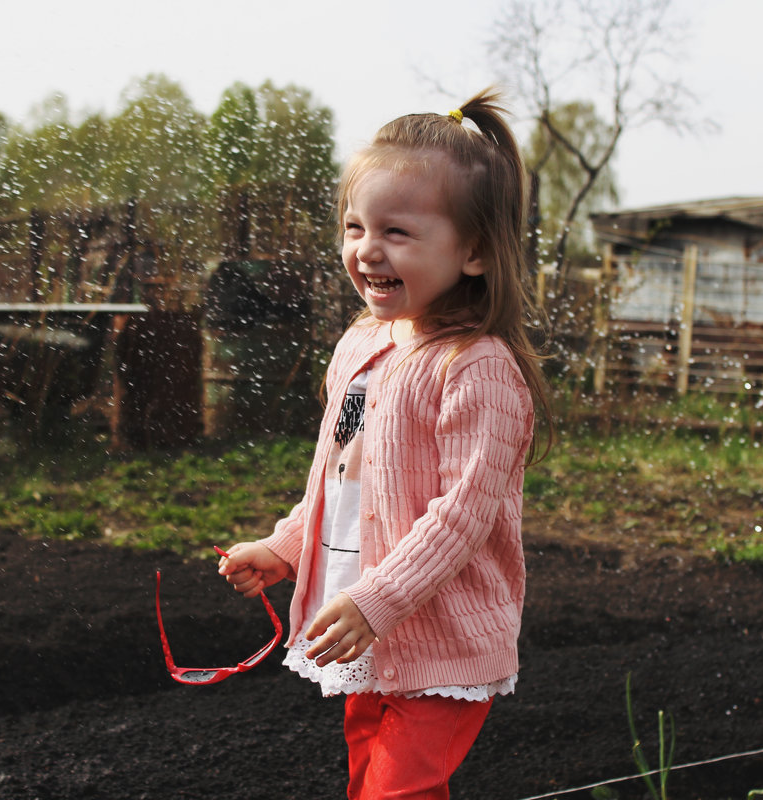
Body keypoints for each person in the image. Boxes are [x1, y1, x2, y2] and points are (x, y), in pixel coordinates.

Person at [217, 88, 551, 799]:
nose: (367, 250)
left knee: (398, 792)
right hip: (364, 625)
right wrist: (284, 547)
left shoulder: (477, 368)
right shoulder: (362, 345)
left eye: (397, 232)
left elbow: (461, 518)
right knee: (367, 775)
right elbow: (338, 479)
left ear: (474, 252)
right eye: (354, 227)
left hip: (439, 634)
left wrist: (378, 601)